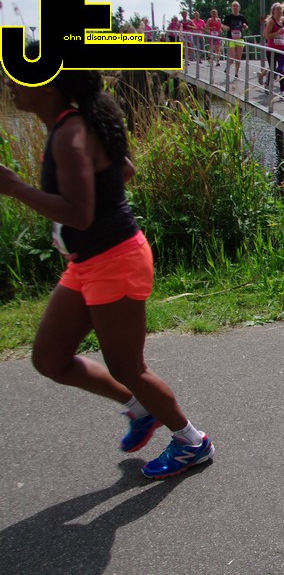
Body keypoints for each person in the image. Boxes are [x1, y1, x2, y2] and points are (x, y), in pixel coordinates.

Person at [0, 43, 215, 480]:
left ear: (49, 84)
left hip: (114, 261)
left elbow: (79, 213)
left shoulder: (70, 134)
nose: (8, 81)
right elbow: (125, 170)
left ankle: (192, 441)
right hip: (88, 262)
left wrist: (15, 187)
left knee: (127, 366)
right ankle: (141, 408)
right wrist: (102, 198)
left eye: (19, 74)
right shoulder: (75, 124)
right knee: (50, 358)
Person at [263, 2, 284, 95]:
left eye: (280, 9)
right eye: (277, 9)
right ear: (273, 11)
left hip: (282, 48)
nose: (279, 11)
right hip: (272, 49)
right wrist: (278, 32)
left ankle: (282, 90)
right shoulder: (271, 22)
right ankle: (267, 84)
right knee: (272, 69)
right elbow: (267, 36)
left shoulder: (283, 22)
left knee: (282, 69)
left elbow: (282, 33)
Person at [222, 1, 249, 79]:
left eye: (236, 6)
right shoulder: (228, 17)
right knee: (232, 57)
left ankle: (236, 74)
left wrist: (245, 26)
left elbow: (246, 27)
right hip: (231, 38)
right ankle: (228, 66)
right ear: (231, 8)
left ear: (239, 8)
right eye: (234, 6)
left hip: (240, 38)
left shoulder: (241, 17)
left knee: (238, 57)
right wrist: (226, 28)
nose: (235, 8)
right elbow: (222, 25)